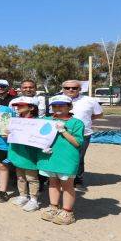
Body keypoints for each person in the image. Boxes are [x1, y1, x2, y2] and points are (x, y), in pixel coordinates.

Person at [38, 95, 85, 225]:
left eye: (61, 105)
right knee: (52, 182)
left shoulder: (76, 123)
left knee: (67, 185)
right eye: (54, 106)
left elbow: (77, 143)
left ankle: (67, 211)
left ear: (70, 107)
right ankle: (53, 207)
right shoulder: (46, 120)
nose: (57, 108)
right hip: (49, 157)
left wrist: (63, 131)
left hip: (67, 160)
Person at [61, 80, 103, 188]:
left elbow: (99, 114)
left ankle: (77, 179)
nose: (70, 90)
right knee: (59, 155)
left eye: (74, 88)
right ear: (62, 89)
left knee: (78, 157)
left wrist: (86, 120)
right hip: (59, 134)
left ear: (80, 89)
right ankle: (58, 177)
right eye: (67, 88)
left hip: (83, 134)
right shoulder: (55, 99)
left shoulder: (90, 100)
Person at [7, 96, 42, 212]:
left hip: (30, 155)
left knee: (32, 178)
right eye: (17, 106)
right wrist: (6, 133)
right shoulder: (14, 120)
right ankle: (23, 196)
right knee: (20, 176)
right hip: (17, 152)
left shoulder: (38, 122)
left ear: (31, 107)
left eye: (21, 106)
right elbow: (9, 134)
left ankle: (34, 200)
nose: (17, 108)